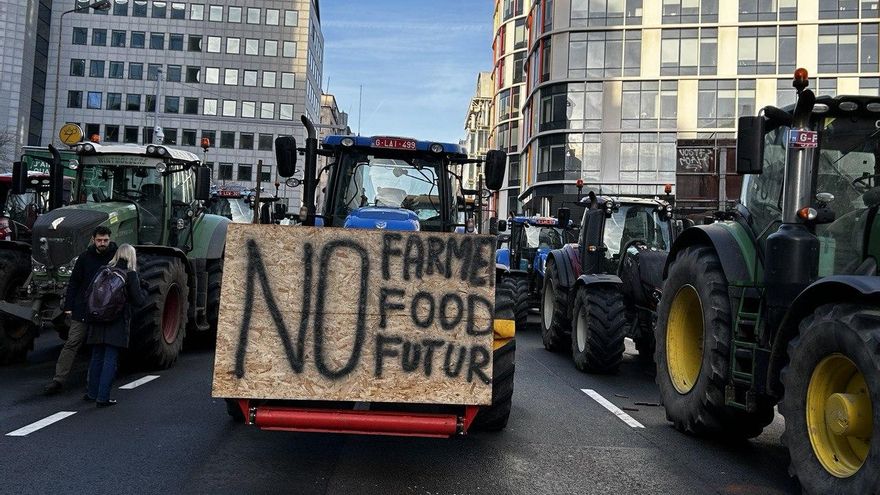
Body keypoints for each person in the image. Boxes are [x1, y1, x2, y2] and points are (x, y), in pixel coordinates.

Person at [44, 226, 117, 395]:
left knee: (99, 347)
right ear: (93, 239)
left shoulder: (115, 257)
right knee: (72, 343)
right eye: (99, 240)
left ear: (110, 239)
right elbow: (75, 283)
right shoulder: (84, 258)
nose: (102, 243)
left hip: (104, 310)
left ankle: (94, 385)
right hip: (83, 309)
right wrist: (69, 307)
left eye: (105, 240)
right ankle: (58, 380)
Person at [84, 244, 146, 407]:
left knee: (97, 356)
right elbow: (139, 301)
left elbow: (90, 291)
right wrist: (144, 288)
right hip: (116, 322)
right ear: (132, 257)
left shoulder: (103, 270)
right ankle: (103, 397)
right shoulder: (130, 274)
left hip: (97, 319)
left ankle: (91, 393)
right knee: (110, 358)